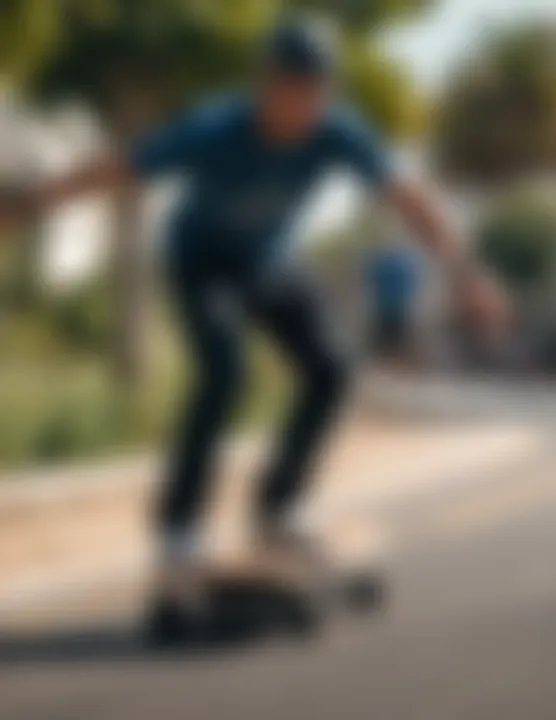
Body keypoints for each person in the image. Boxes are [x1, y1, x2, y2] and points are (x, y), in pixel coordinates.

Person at [0, 21, 508, 573]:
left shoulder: (339, 133)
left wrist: (466, 273)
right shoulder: (214, 128)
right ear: (262, 84)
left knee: (332, 368)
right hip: (201, 263)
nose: (296, 109)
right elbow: (120, 166)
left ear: (327, 93)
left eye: (311, 95)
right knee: (223, 371)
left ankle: (279, 508)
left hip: (267, 263)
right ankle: (180, 528)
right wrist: (28, 204)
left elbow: (408, 200)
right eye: (286, 91)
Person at [365, 239, 423, 365]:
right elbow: (412, 281)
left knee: (387, 333)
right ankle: (399, 357)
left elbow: (371, 280)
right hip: (398, 304)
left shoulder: (380, 264)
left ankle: (387, 357)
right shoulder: (402, 264)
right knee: (399, 332)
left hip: (385, 305)